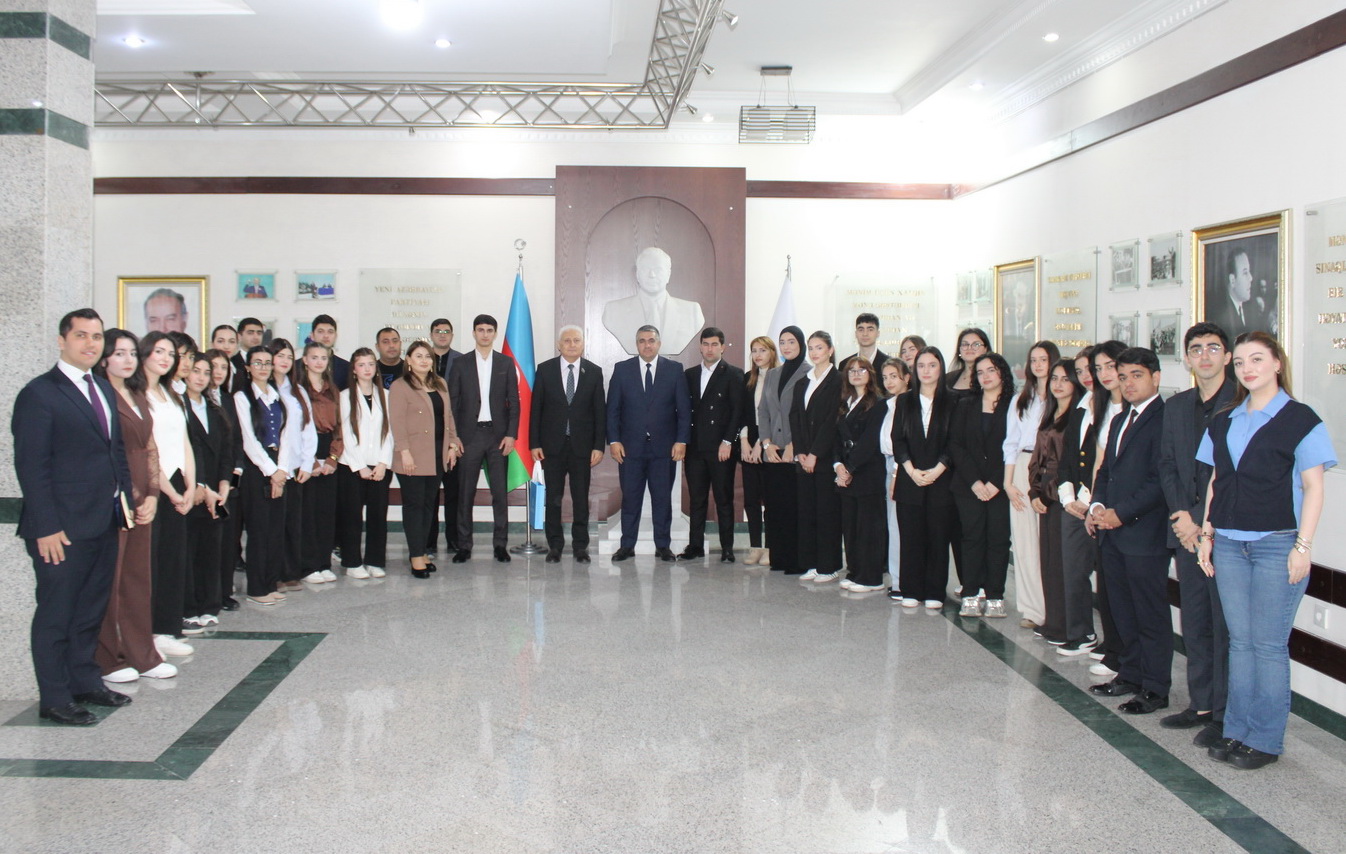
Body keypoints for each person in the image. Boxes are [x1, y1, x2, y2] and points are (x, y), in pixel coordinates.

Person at [1197, 332, 1334, 770]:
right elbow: (1217, 481)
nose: (1247, 369)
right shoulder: (1225, 419)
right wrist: (1207, 534)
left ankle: (1266, 739)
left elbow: (1314, 488)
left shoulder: (1300, 419)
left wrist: (1302, 547)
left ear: (1277, 363)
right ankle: (1237, 730)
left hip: (1277, 544)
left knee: (1268, 646)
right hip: (1229, 542)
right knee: (1241, 643)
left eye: (1257, 359)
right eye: (1239, 362)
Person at [13, 309, 137, 724]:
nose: (90, 343)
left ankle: (85, 681)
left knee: (90, 610)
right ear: (62, 340)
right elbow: (32, 466)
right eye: (81, 335)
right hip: (61, 529)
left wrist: (124, 499)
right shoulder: (39, 393)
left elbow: (115, 450)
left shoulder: (100, 387)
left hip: (102, 520)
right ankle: (54, 697)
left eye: (96, 336)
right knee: (57, 613)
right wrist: (46, 526)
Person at [1158, 322, 1234, 748]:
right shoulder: (1177, 405)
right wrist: (1182, 518)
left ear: (1227, 356)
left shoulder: (1241, 403)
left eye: (1213, 348)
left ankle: (1224, 713)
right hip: (1186, 532)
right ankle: (1201, 704)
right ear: (1186, 358)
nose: (1204, 356)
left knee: (1224, 625)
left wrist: (1203, 522)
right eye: (1197, 349)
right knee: (1196, 620)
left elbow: (1229, 472)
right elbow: (1167, 465)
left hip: (1222, 532)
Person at [1087, 347, 1172, 716]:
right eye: (1123, 377)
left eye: (1136, 375)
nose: (1128, 383)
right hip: (1112, 533)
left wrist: (1121, 514)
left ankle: (1155, 687)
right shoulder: (1121, 418)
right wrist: (1097, 506)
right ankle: (1131, 674)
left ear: (1156, 377)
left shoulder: (1166, 419)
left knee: (1149, 614)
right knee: (1122, 611)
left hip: (1144, 534)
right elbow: (1106, 471)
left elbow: (1160, 481)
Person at [93, 330, 174, 683]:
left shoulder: (137, 394)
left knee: (138, 578)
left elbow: (150, 447)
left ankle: (143, 654)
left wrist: (153, 493)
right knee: (111, 580)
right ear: (104, 359)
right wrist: (130, 493)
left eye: (131, 353)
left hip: (144, 495)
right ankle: (108, 659)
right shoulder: (100, 396)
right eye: (119, 353)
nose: (128, 360)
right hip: (115, 496)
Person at [606, 324, 692, 562]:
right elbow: (612, 410)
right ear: (637, 344)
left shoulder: (674, 370)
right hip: (629, 449)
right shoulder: (622, 370)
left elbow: (684, 411)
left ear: (659, 344)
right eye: (642, 341)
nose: (647, 345)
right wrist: (614, 440)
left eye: (651, 340)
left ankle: (663, 546)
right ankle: (627, 546)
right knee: (630, 499)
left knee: (662, 499)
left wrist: (681, 440)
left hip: (664, 449)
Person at [140, 331, 197, 655]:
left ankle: (167, 628)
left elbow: (184, 441)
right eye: (159, 352)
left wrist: (190, 484)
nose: (166, 359)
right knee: (152, 562)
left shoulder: (171, 393)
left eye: (170, 354)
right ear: (144, 353)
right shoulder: (137, 395)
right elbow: (147, 449)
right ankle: (147, 634)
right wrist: (172, 492)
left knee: (174, 560)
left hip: (178, 483)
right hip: (153, 487)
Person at [530, 325, 606, 563]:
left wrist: (598, 446)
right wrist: (534, 443)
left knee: (580, 499)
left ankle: (580, 546)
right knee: (553, 498)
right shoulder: (545, 370)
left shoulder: (594, 371)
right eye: (567, 341)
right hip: (551, 447)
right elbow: (536, 409)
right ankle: (555, 546)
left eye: (576, 340)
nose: (572, 345)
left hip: (582, 448)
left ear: (583, 344)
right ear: (559, 345)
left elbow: (600, 412)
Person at [448, 314, 520, 563]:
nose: (485, 334)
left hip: (498, 437)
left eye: (490, 330)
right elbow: (453, 403)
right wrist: (454, 437)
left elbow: (514, 402)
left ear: (495, 334)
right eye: (481, 330)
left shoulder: (505, 363)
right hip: (469, 436)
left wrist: (511, 434)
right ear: (474, 333)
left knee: (499, 494)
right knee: (465, 493)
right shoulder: (461, 363)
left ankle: (500, 545)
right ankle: (464, 546)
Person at [948, 353, 1015, 617]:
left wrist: (996, 483)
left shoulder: (1014, 405)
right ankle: (970, 593)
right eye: (980, 372)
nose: (985, 376)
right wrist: (975, 481)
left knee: (998, 540)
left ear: (1002, 373)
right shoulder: (965, 404)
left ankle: (995, 595)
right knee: (972, 538)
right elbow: (956, 445)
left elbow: (1014, 446)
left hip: (1001, 486)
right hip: (969, 486)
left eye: (991, 370)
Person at [891, 346, 957, 609]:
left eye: (932, 365)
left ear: (941, 368)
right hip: (910, 479)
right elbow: (898, 440)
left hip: (942, 480)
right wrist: (910, 470)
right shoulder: (905, 401)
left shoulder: (953, 400)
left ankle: (935, 592)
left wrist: (938, 469)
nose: (926, 371)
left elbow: (955, 441)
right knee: (911, 537)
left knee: (938, 538)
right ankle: (911, 589)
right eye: (921, 366)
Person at [1027, 359, 1086, 642]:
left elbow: (1068, 463)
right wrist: (1034, 491)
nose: (1058, 384)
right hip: (1045, 494)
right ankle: (1053, 621)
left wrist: (1050, 493)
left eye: (1065, 379)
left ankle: (1067, 627)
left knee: (1065, 565)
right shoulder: (1050, 412)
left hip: (1065, 496)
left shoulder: (1079, 415)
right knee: (1049, 561)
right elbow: (1037, 457)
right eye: (1054, 379)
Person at [1004, 340, 1061, 630]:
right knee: (1025, 542)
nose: (1038, 365)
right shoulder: (1021, 400)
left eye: (1044, 360)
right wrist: (1008, 482)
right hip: (1022, 467)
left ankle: (1054, 609)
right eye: (1034, 360)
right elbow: (1010, 443)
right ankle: (1031, 609)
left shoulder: (1062, 397)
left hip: (1051, 469)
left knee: (1048, 542)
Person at [392, 340, 461, 577]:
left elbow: (448, 416)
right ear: (408, 361)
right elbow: (397, 423)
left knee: (428, 506)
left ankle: (421, 552)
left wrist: (453, 444)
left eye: (428, 356)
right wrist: (404, 452)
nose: (424, 360)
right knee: (414, 507)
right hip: (411, 456)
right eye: (418, 356)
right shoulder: (400, 386)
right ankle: (415, 557)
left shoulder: (439, 383)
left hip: (436, 455)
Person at [681, 327, 745, 563]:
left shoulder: (734, 374)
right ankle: (695, 545)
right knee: (697, 500)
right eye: (706, 344)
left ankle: (727, 548)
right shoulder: (689, 375)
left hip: (721, 448)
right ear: (700, 346)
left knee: (723, 499)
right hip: (695, 448)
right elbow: (684, 412)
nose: (710, 349)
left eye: (714, 344)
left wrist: (728, 441)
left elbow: (737, 412)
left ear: (723, 347)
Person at [1083, 341, 1128, 677]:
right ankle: (1113, 648)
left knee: (1124, 590)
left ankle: (1123, 655)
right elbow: (1099, 463)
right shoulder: (1101, 407)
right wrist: (1094, 505)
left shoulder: (1134, 409)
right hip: (1102, 505)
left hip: (1125, 511)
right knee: (1107, 586)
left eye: (1110, 366)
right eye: (1098, 369)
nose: (1104, 374)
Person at [1055, 347, 1103, 658]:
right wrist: (1067, 496)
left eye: (1091, 369)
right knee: (1073, 571)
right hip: (1073, 504)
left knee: (1107, 578)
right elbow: (1068, 458)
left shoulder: (1112, 409)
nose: (1087, 376)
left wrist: (1088, 499)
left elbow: (1103, 462)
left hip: (1098, 505)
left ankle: (1113, 644)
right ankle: (1081, 632)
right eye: (1081, 371)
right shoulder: (1080, 408)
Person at [234, 345, 288, 605]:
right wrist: (272, 471)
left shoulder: (276, 395)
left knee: (275, 528)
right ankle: (256, 588)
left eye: (267, 363)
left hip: (278, 464)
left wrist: (282, 469)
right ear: (247, 367)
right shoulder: (242, 397)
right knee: (259, 529)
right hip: (256, 468)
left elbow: (286, 433)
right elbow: (249, 440)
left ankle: (270, 582)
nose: (263, 367)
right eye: (257, 363)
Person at [182, 352, 233, 631]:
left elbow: (227, 450)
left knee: (212, 550)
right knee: (190, 550)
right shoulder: (179, 406)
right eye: (196, 371)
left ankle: (209, 606)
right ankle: (189, 608)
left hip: (217, 489)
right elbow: (190, 451)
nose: (201, 377)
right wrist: (200, 485)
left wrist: (224, 483)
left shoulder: (215, 409)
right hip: (192, 490)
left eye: (206, 372)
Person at [337, 348, 394, 579]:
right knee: (352, 515)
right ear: (354, 369)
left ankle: (375, 560)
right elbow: (346, 433)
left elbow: (390, 433)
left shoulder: (386, 395)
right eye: (361, 364)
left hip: (379, 466)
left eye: (371, 364)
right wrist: (360, 466)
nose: (367, 368)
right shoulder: (344, 396)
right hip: (352, 466)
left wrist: (383, 463)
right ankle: (352, 562)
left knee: (378, 515)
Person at [792, 331, 844, 582]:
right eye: (811, 348)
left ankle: (828, 565)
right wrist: (801, 452)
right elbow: (795, 417)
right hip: (804, 458)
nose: (814, 353)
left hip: (825, 457)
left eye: (819, 348)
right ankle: (811, 563)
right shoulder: (803, 381)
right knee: (807, 511)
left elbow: (832, 421)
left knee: (827, 513)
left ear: (830, 350)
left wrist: (815, 453)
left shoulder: (839, 380)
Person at [756, 327, 808, 574]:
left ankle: (796, 561)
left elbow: (807, 414)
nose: (787, 347)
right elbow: (763, 411)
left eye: (792, 342)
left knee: (795, 508)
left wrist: (793, 446)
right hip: (773, 453)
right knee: (775, 508)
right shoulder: (773, 374)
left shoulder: (809, 372)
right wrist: (766, 444)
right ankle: (779, 558)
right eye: (783, 342)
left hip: (795, 453)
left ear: (801, 344)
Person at [834, 356, 888, 592]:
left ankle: (871, 578)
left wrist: (850, 468)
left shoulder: (878, 403)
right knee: (851, 526)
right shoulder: (844, 403)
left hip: (868, 472)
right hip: (845, 472)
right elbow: (836, 437)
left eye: (861, 370)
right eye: (851, 370)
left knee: (869, 527)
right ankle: (855, 572)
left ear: (870, 374)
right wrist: (838, 465)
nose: (856, 374)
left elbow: (870, 441)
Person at [270, 339, 318, 593]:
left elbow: (308, 429)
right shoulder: (264, 389)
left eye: (289, 357)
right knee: (273, 524)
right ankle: (273, 573)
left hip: (296, 467)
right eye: (280, 356)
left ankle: (290, 571)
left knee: (293, 522)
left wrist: (307, 464)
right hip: (273, 468)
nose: (285, 361)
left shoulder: (297, 390)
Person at [295, 341, 344, 583]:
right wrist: (311, 461)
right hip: (306, 452)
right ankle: (308, 566)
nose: (319, 362)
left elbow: (340, 427)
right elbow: (296, 428)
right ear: (305, 360)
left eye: (323, 358)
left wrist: (333, 458)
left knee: (327, 512)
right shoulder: (297, 390)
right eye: (314, 357)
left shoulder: (332, 389)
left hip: (329, 449)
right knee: (308, 512)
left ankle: (324, 563)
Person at [603, 247, 706, 356]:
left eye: (658, 270)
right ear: (637, 274)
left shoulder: (692, 312)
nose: (652, 275)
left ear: (668, 274)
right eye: (645, 269)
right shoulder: (613, 311)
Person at [205, 348, 244, 611]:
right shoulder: (196, 399)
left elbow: (237, 438)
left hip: (230, 478)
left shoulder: (228, 399)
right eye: (213, 367)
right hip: (208, 478)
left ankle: (225, 591)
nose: (218, 372)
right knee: (209, 540)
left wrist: (237, 469)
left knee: (229, 539)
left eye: (223, 368)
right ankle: (210, 593)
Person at [738, 336, 779, 566]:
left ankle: (772, 547)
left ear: (772, 352)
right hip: (749, 441)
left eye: (762, 350)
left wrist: (761, 443)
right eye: (754, 350)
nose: (758, 355)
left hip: (771, 442)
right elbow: (743, 412)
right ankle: (755, 546)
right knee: (751, 499)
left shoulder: (779, 377)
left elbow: (776, 415)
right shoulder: (748, 378)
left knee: (771, 499)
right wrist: (744, 441)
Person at [427, 317, 463, 557]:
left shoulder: (462, 361)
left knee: (454, 493)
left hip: (453, 438)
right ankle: (428, 542)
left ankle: (454, 540)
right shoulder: (420, 359)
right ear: (431, 334)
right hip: (428, 439)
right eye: (438, 331)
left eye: (446, 331)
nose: (442, 335)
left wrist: (457, 438)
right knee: (429, 495)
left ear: (452, 335)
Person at [879, 358, 912, 600]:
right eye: (885, 377)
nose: (889, 381)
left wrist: (897, 472)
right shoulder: (889, 404)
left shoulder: (911, 404)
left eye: (894, 376)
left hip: (902, 466)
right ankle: (898, 579)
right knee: (893, 525)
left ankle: (902, 582)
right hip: (887, 462)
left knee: (899, 526)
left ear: (907, 378)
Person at [310, 314, 349, 390]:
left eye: (330, 332)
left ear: (336, 336)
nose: (326, 336)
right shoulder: (296, 366)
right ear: (312, 335)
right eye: (320, 331)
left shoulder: (347, 368)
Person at [943, 328, 990, 392]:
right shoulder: (948, 378)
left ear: (985, 349)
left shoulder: (990, 377)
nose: (969, 348)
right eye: (965, 344)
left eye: (976, 344)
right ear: (959, 349)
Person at [210, 324, 241, 391]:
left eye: (231, 342)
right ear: (212, 344)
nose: (226, 346)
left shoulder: (242, 374)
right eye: (220, 341)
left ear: (237, 345)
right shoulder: (203, 368)